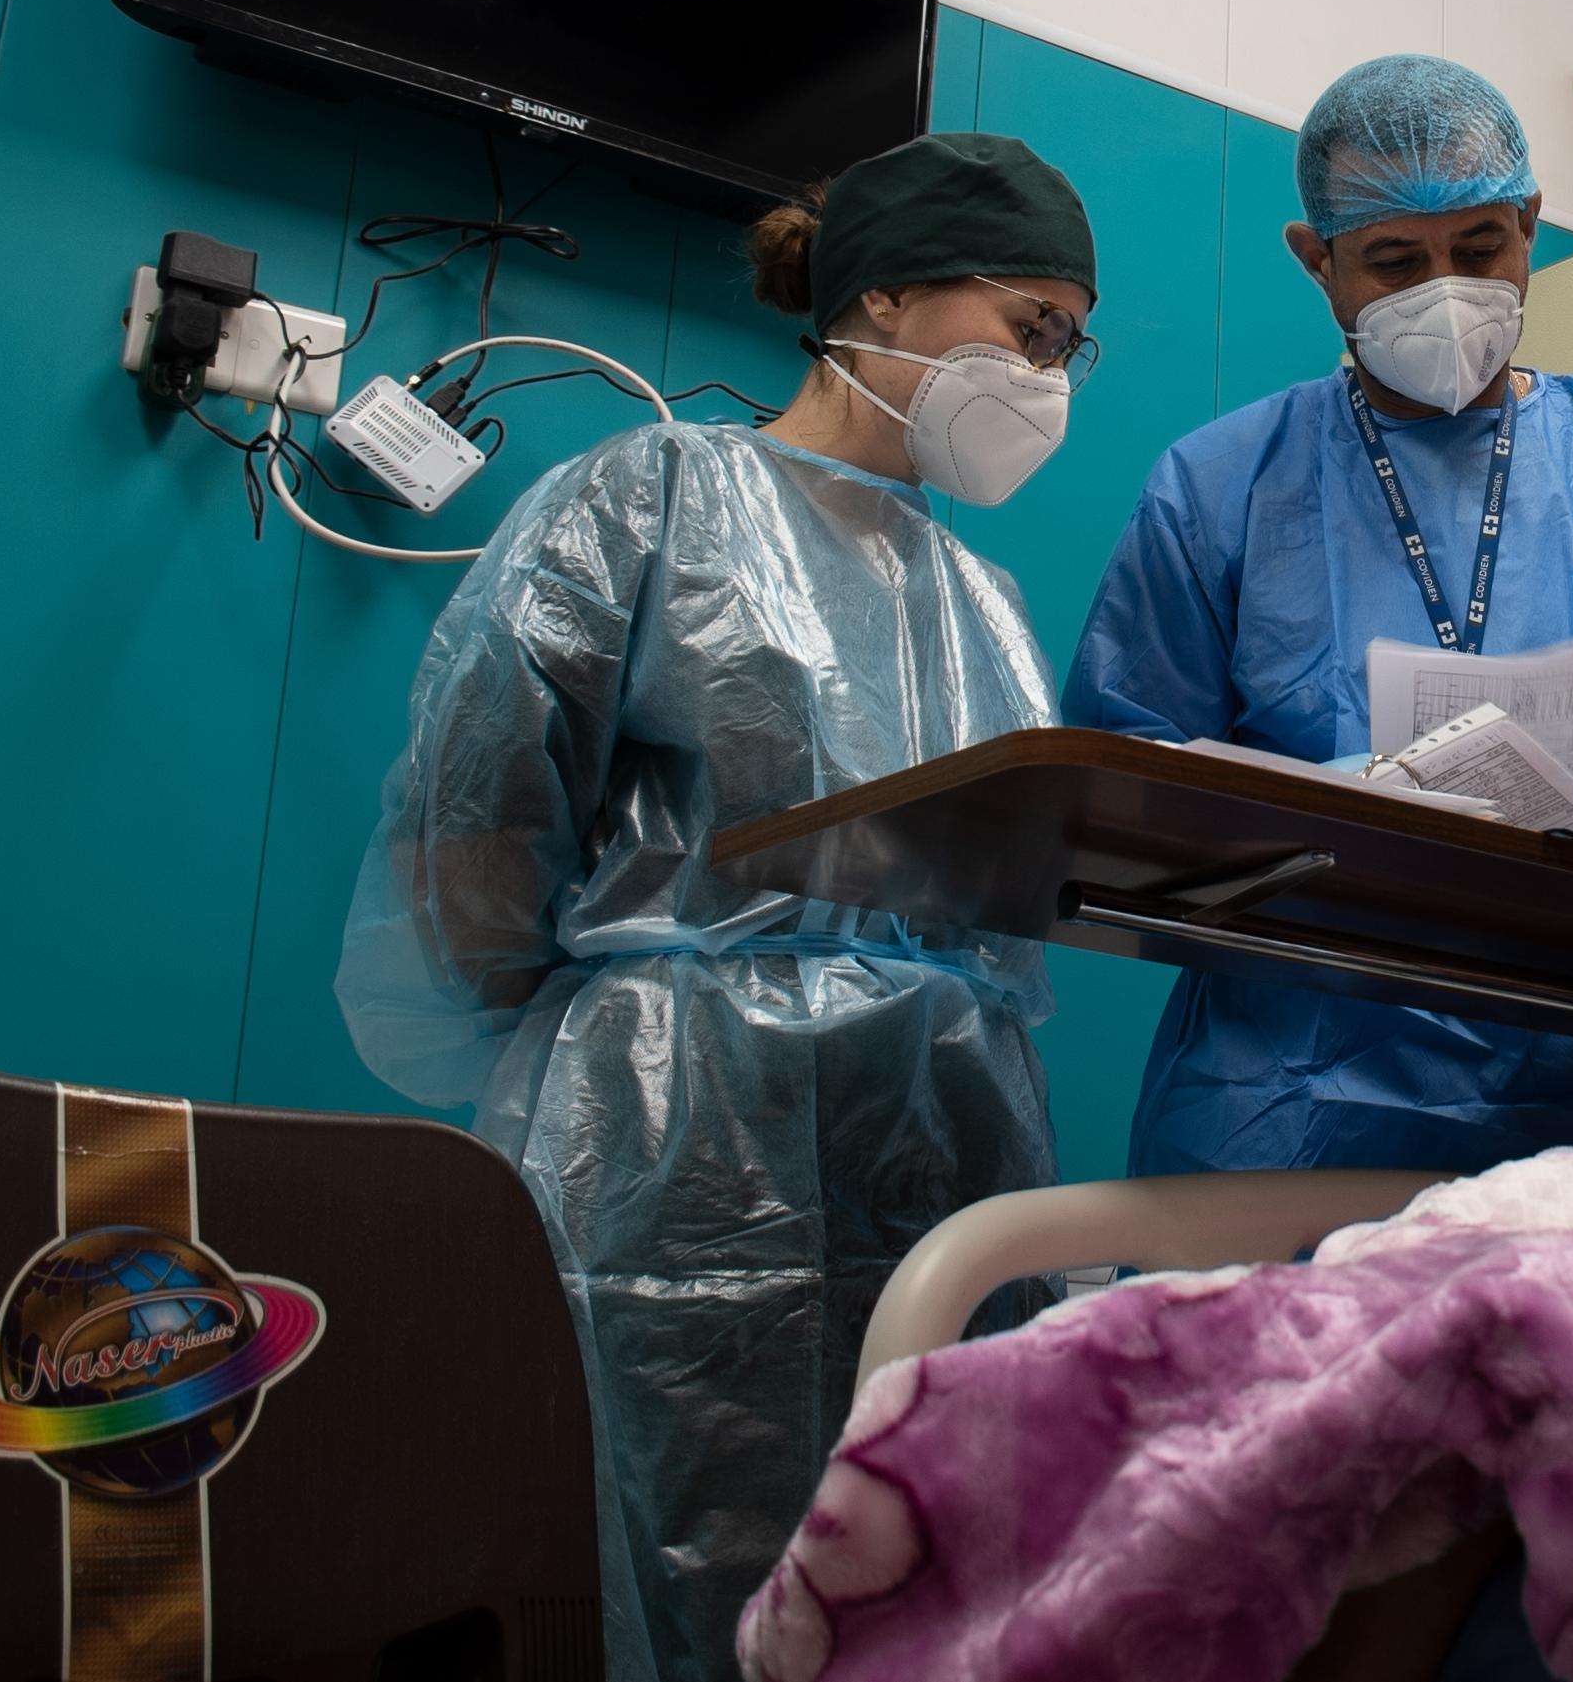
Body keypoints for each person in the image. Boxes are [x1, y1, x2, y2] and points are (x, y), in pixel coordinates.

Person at [337, 132, 1099, 1680]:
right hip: (666, 1147)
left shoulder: (984, 602)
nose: (1048, 377)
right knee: (651, 1561)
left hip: (945, 1159)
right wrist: (634, 1031)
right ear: (880, 287)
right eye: (1029, 327)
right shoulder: (647, 498)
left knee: (930, 1587)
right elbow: (476, 832)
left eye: (1070, 347)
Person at [1067, 53, 1573, 1176]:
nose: (1444, 289)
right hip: (1293, 1104)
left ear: (1532, 224)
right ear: (1318, 263)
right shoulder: (1222, 489)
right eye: (1394, 261)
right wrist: (1317, 811)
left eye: (1480, 247)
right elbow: (1113, 795)